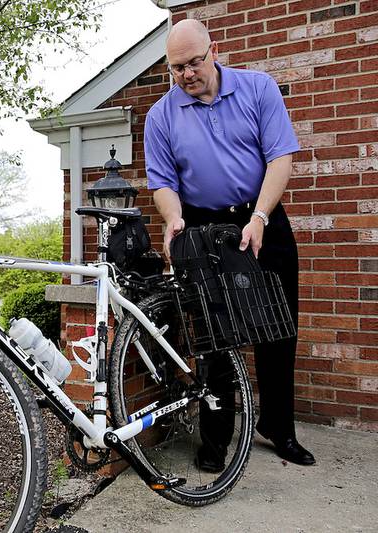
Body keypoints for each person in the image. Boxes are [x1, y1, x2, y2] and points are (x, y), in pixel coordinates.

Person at [144, 19, 315, 469]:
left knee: (279, 330)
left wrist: (259, 217)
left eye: (194, 62)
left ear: (213, 50)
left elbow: (281, 157)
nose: (186, 74)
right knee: (215, 340)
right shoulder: (160, 116)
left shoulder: (258, 89)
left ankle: (278, 428)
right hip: (203, 227)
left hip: (263, 219)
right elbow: (163, 183)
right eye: (176, 67)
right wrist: (173, 218)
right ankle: (216, 440)